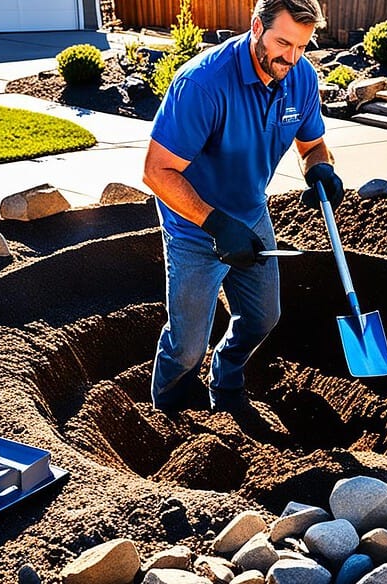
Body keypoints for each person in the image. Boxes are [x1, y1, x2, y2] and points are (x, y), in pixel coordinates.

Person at [142, 0, 345, 413]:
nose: (290, 57)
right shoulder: (203, 84)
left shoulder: (300, 77)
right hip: (194, 225)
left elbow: (313, 145)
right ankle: (168, 407)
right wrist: (215, 223)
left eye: (301, 47)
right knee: (186, 346)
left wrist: (321, 170)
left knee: (262, 317)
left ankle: (227, 380)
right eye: (282, 43)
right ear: (256, 27)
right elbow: (157, 172)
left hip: (250, 214)